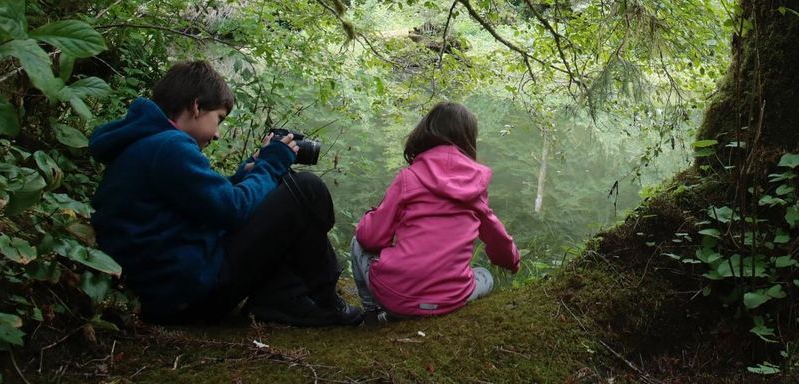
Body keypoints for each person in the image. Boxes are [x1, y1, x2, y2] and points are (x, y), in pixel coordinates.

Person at [89, 60, 362, 326]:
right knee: (306, 189)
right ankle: (325, 301)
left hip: (167, 292)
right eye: (218, 119)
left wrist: (250, 172)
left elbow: (206, 202)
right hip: (187, 296)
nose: (218, 134)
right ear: (196, 106)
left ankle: (282, 298)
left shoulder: (147, 142)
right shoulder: (169, 146)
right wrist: (270, 165)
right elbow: (232, 209)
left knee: (278, 185)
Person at [351, 102, 520, 322]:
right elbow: (496, 236)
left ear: (426, 131)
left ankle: (374, 313)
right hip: (452, 299)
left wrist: (370, 220)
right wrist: (512, 261)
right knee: (484, 275)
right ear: (468, 138)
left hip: (396, 297)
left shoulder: (409, 177)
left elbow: (370, 237)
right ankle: (423, 306)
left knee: (357, 243)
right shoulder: (475, 184)